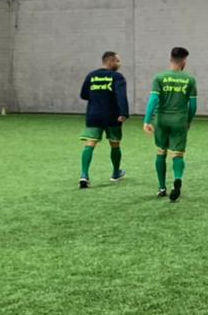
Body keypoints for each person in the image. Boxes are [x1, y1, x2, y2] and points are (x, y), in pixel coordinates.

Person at [143, 46, 197, 201]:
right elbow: (193, 106)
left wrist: (147, 120)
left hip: (161, 120)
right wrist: (188, 121)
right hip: (179, 120)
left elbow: (153, 100)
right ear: (184, 61)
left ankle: (162, 188)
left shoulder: (159, 77)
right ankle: (177, 179)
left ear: (170, 59)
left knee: (161, 152)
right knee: (178, 154)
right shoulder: (190, 79)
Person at [79, 50, 130, 187]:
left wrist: (97, 96)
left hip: (94, 115)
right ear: (111, 61)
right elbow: (121, 96)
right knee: (115, 144)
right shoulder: (117, 77)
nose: (119, 63)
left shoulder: (91, 75)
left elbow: (83, 94)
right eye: (117, 61)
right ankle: (115, 173)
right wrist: (124, 113)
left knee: (90, 144)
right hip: (112, 116)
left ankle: (84, 175)